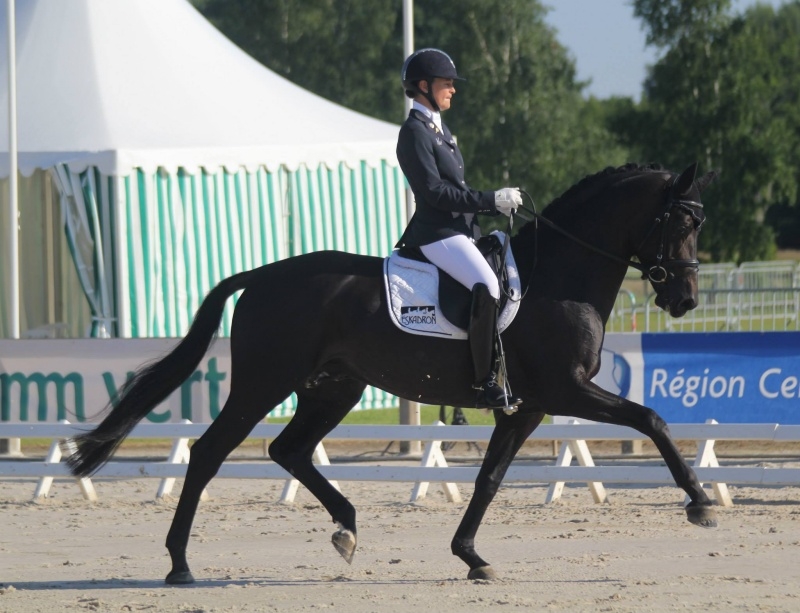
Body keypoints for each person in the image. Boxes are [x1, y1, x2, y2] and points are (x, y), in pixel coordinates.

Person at [395, 48, 523, 409]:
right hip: (437, 233)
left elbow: (457, 188)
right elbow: (434, 192)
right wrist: (488, 199)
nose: (453, 90)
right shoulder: (414, 133)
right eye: (446, 84)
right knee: (488, 285)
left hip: (460, 230)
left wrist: (493, 207)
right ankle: (483, 383)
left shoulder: (440, 129)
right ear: (423, 86)